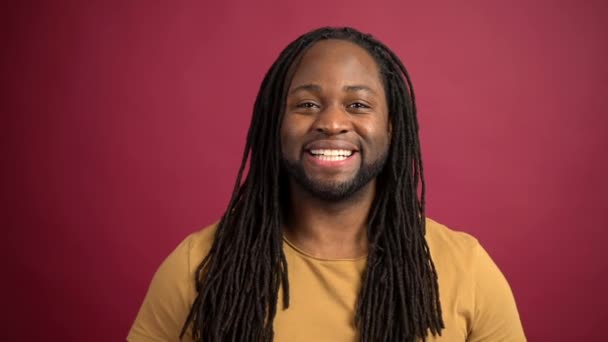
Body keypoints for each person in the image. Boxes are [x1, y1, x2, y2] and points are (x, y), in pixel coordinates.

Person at [128, 27, 526, 342]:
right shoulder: (200, 266)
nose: (332, 123)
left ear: (391, 127)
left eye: (357, 105)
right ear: (275, 125)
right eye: (307, 104)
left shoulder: (466, 269)